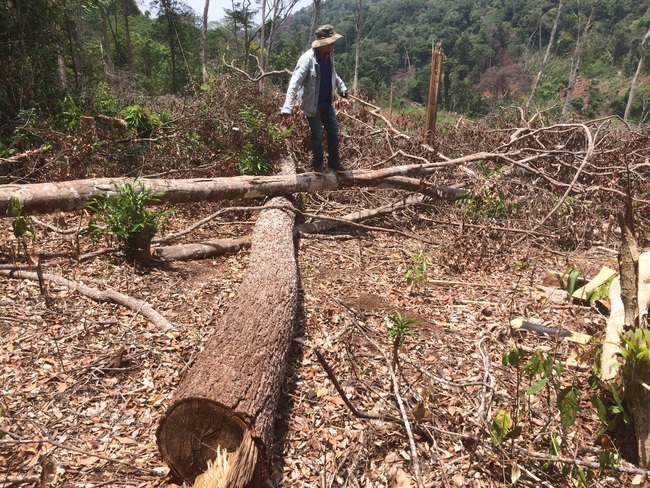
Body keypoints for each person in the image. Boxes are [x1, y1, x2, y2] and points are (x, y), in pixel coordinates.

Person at [281, 24, 348, 174]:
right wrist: (287, 107)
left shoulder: (329, 55)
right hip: (312, 105)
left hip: (327, 103)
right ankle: (317, 165)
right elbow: (294, 84)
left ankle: (334, 162)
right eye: (332, 41)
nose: (334, 44)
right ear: (324, 43)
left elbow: (333, 74)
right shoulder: (307, 60)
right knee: (317, 133)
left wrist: (342, 87)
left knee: (333, 130)